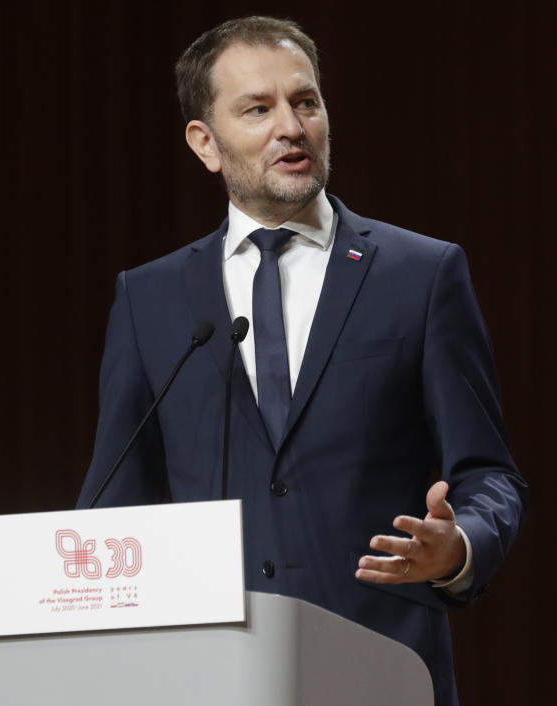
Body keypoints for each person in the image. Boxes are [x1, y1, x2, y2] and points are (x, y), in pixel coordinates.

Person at [76, 16, 526, 706]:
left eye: (306, 102)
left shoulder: (421, 274)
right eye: (258, 109)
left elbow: (489, 474)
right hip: (208, 677)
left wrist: (458, 544)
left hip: (381, 669)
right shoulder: (150, 298)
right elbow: (115, 505)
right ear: (206, 143)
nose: (291, 126)